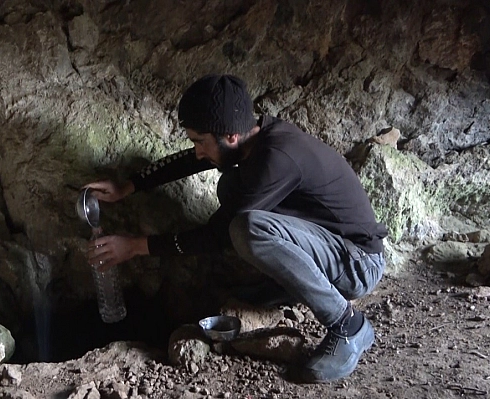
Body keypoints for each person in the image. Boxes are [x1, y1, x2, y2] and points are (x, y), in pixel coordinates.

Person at [84, 74, 388, 383]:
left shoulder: (276, 158)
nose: (198, 150)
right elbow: (191, 160)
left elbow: (216, 236)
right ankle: (288, 287)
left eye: (200, 141)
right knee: (231, 185)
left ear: (230, 136)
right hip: (332, 247)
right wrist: (129, 186)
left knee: (246, 228)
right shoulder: (253, 137)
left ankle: (349, 326)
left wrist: (135, 246)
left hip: (358, 263)